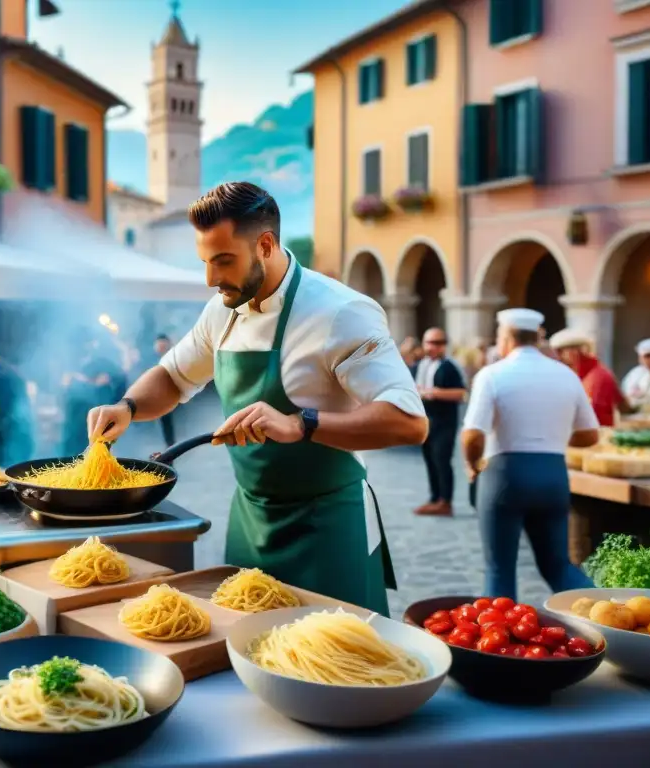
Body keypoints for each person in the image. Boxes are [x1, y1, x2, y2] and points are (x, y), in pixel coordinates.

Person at [86, 182, 428, 617]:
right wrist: (128, 407)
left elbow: (409, 421)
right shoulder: (221, 309)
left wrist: (302, 423)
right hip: (250, 520)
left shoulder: (341, 312)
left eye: (223, 261)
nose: (211, 279)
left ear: (265, 244)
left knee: (335, 664)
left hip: (327, 524)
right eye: (205, 262)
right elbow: (172, 377)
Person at [461, 308, 599, 600]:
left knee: (499, 569)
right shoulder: (566, 375)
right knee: (558, 565)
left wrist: (472, 465)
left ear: (507, 338)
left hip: (504, 475)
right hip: (553, 474)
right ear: (537, 337)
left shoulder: (492, 374)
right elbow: (590, 434)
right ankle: (609, 618)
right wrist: (555, 437)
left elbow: (473, 434)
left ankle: (497, 645)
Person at [412, 327, 467, 517]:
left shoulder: (449, 366)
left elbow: (461, 393)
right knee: (429, 460)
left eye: (437, 343)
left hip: (444, 422)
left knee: (442, 460)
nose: (432, 347)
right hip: (425, 421)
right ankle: (435, 497)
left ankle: (446, 501)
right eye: (429, 342)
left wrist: (433, 392)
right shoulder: (420, 365)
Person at [60, 331, 124, 455]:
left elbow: (118, 379)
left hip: (96, 417)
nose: (85, 346)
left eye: (88, 343)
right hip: (73, 420)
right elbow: (65, 390)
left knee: (96, 455)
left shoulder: (102, 363)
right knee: (71, 457)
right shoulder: (70, 364)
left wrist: (92, 381)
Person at [549, 328, 627, 427]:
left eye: (560, 351)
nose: (558, 357)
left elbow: (592, 416)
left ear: (577, 351)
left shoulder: (598, 376)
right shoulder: (576, 375)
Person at [153, 335, 176, 446]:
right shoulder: (152, 360)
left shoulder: (174, 356)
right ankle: (169, 446)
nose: (160, 348)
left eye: (163, 345)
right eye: (158, 345)